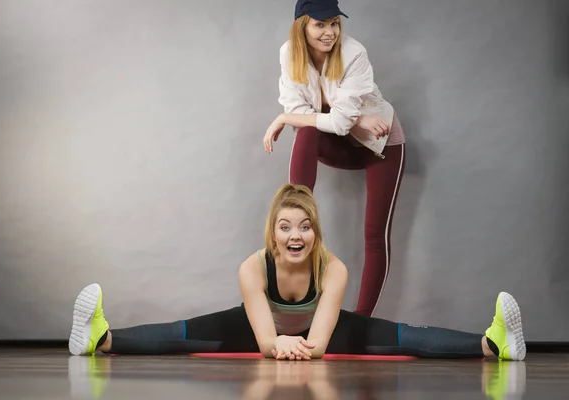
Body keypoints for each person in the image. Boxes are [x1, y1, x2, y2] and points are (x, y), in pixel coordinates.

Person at [69, 184, 526, 362]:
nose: (296, 235)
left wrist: (293, 343)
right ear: (272, 233)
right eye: (285, 227)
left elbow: (321, 344)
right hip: (260, 326)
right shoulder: (253, 267)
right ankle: (100, 336)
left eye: (305, 227)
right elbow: (266, 341)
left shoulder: (334, 269)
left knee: (403, 334)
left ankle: (493, 343)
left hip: (314, 333)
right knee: (180, 332)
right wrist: (274, 343)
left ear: (315, 234)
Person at [262, 0, 406, 317]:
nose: (330, 32)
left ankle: (361, 323)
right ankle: (295, 217)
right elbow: (300, 113)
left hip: (379, 144)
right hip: (338, 140)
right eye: (321, 24)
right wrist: (293, 117)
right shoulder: (289, 53)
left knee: (374, 235)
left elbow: (328, 120)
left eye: (335, 23)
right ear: (303, 26)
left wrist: (287, 119)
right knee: (307, 132)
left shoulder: (354, 53)